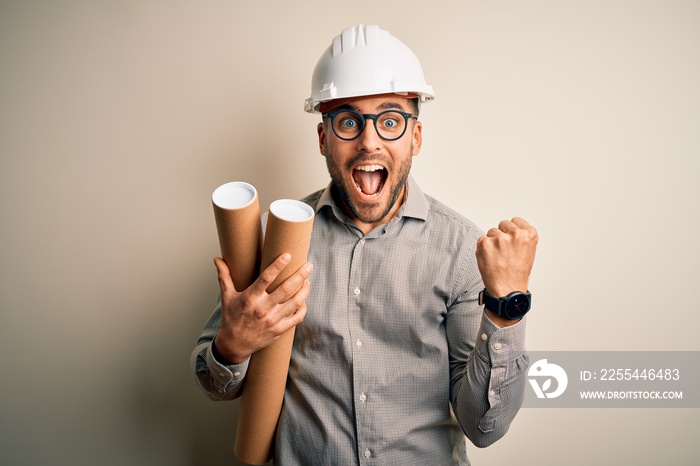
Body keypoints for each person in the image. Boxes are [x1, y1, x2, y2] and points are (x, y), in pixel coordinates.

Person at [191, 24, 538, 465]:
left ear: (415, 137)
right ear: (323, 139)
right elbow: (213, 383)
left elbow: (484, 427)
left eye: (390, 120)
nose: (369, 141)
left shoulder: (461, 251)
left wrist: (504, 307)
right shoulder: (272, 240)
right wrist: (231, 347)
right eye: (349, 121)